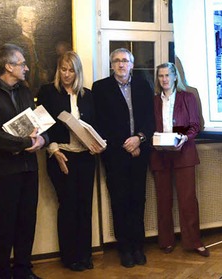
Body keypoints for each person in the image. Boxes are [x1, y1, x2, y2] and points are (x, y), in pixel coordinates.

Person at [0, 43, 47, 279]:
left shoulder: (23, 91)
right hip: (3, 170)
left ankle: (23, 270)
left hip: (29, 167)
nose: (27, 68)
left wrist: (43, 139)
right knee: (4, 224)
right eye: (22, 64)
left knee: (27, 221)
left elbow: (37, 123)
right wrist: (25, 144)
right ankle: (0, 274)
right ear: (8, 66)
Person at [37, 51, 103, 272]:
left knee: (85, 206)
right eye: (63, 69)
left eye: (71, 70)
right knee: (68, 206)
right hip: (61, 156)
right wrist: (54, 150)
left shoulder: (87, 95)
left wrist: (97, 144)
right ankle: (70, 257)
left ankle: (85, 254)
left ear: (78, 72)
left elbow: (95, 125)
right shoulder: (48, 92)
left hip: (85, 157)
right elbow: (42, 127)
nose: (66, 74)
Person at [92, 48, 154, 268]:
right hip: (115, 156)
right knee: (120, 202)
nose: (121, 64)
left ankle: (138, 246)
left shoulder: (143, 85)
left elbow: (150, 118)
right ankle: (125, 248)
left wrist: (139, 139)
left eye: (125, 61)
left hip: (140, 153)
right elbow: (100, 124)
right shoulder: (100, 88)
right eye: (116, 61)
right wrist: (126, 145)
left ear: (132, 64)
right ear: (111, 65)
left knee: (138, 200)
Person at [150, 62, 210, 257]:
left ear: (176, 77)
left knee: (187, 200)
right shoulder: (154, 101)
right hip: (160, 155)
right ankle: (166, 241)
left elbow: (195, 125)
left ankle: (194, 241)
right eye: (161, 76)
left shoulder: (188, 97)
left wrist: (184, 138)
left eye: (168, 75)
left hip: (184, 153)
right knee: (164, 200)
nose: (164, 79)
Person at [8, 6, 48, 96]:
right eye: (25, 20)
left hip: (40, 86)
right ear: (20, 22)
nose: (30, 24)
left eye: (33, 21)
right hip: (22, 89)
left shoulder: (40, 44)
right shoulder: (13, 43)